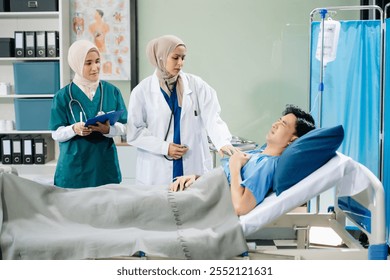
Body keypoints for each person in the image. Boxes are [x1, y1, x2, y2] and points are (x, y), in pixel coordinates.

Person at [127, 35, 238, 185]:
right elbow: (135, 133)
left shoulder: (197, 85)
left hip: (192, 163)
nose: (180, 63)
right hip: (157, 168)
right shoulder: (142, 91)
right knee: (160, 206)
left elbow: (212, 117)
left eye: (183, 58)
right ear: (161, 57)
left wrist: (222, 142)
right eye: (175, 58)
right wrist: (165, 147)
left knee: (192, 204)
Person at [170, 105, 316, 216]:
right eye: (278, 120)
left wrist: (235, 166)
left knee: (148, 205)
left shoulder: (266, 165)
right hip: (196, 191)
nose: (274, 124)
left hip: (200, 202)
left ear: (293, 140)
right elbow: (224, 180)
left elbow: (240, 206)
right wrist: (197, 178)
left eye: (283, 124)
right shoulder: (257, 154)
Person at [49, 39, 127, 188]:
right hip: (75, 168)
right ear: (77, 64)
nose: (95, 68)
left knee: (106, 208)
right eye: (88, 63)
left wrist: (109, 129)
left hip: (103, 166)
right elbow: (55, 133)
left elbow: (124, 126)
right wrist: (74, 129)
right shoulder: (63, 96)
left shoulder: (112, 91)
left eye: (97, 61)